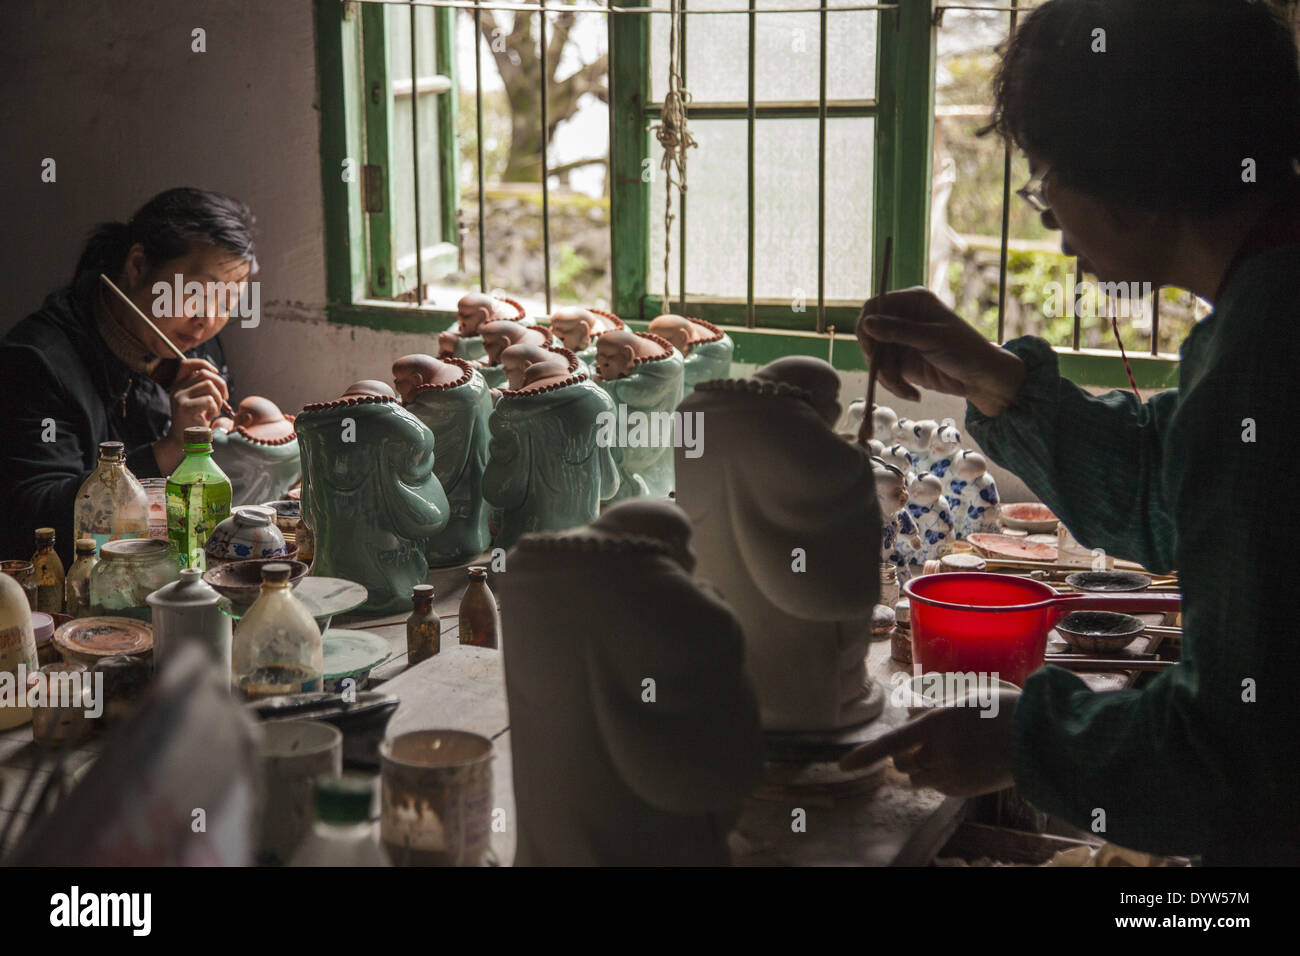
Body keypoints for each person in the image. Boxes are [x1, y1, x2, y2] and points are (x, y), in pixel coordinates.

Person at [851, 0, 1299, 864]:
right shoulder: (1262, 307)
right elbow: (1173, 490)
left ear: (1130, 179)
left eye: (1047, 178)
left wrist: (1027, 742)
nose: (1049, 219)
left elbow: (1246, 761)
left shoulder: (1269, 348)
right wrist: (1001, 383)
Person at [0, 188, 256, 565]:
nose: (207, 320)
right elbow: (36, 520)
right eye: (197, 292)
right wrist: (170, 451)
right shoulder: (36, 363)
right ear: (137, 265)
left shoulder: (194, 345)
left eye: (227, 303)